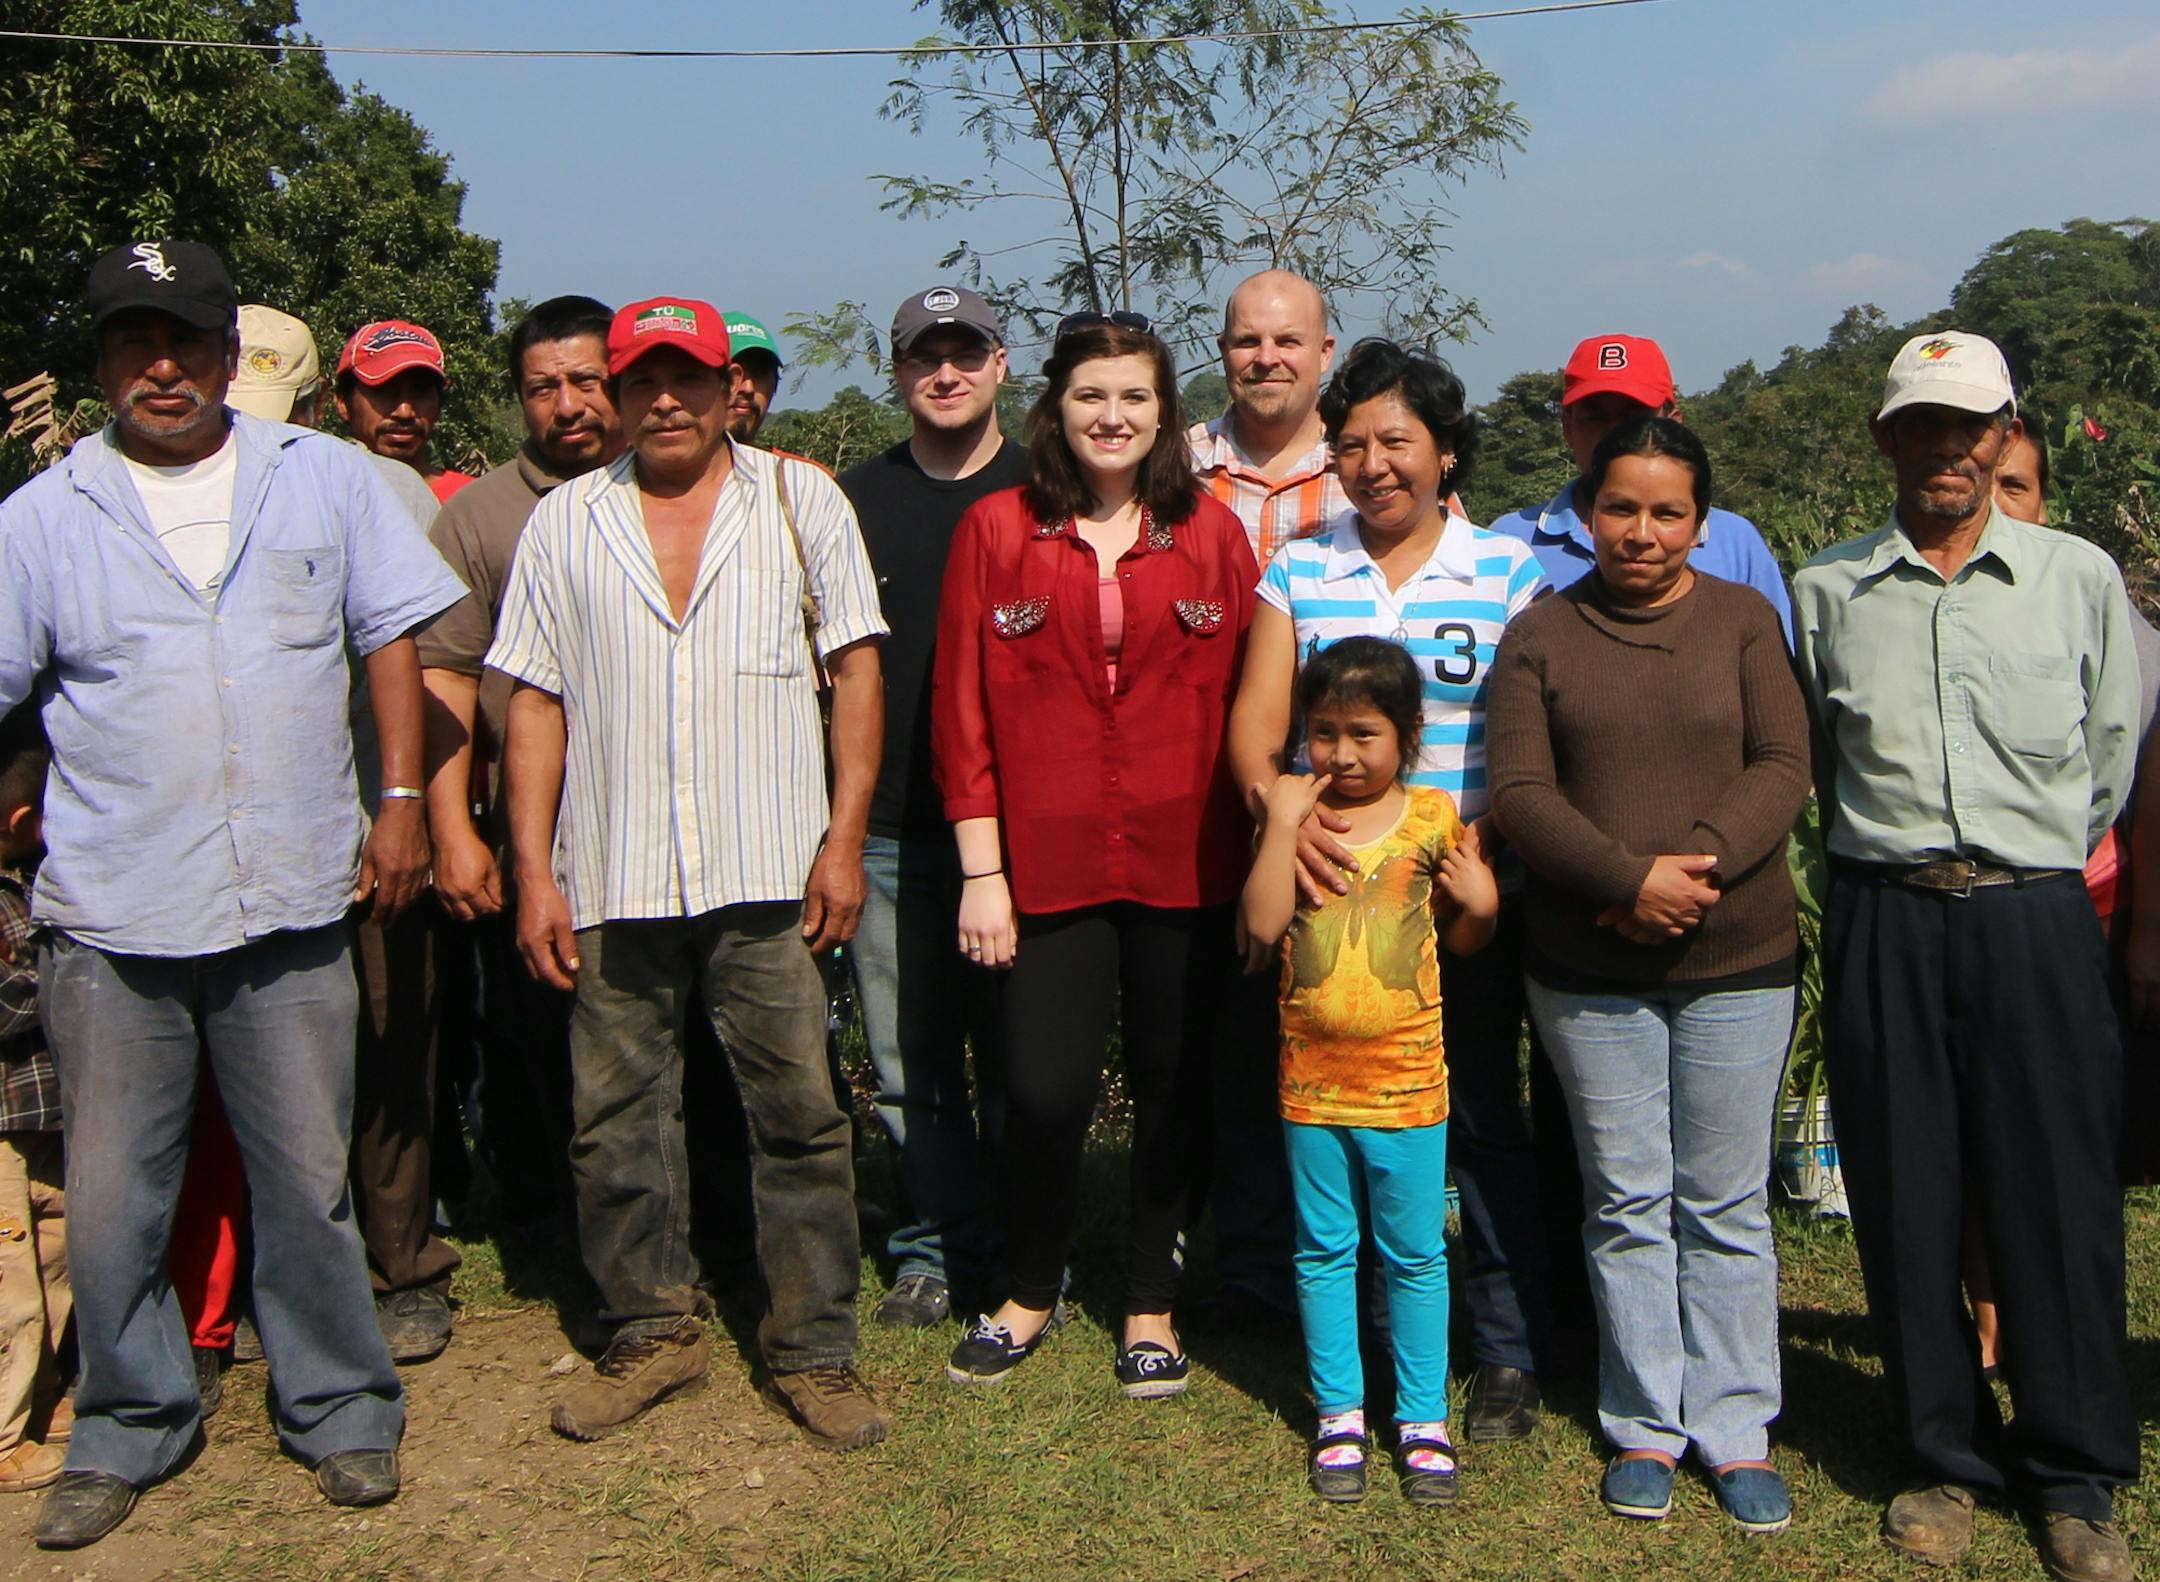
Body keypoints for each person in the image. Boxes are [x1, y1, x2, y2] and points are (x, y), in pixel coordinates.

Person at [0, 240, 468, 1547]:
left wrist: (399, 805)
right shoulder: (42, 518)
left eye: (188, 341)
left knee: (304, 1170)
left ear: (226, 355)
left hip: (290, 898)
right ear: (101, 363)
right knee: (114, 1187)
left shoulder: (321, 480)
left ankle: (341, 1400)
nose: (163, 366)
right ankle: (130, 1414)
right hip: (113, 912)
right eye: (134, 342)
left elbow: (390, 635)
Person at [487, 296, 891, 1448]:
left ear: (729, 390)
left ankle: (814, 1345)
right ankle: (649, 1331)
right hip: (611, 865)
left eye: (690, 378)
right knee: (616, 1117)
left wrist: (844, 838)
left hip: (768, 860)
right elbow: (535, 704)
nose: (667, 398)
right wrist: (534, 868)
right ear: (612, 394)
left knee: (801, 1113)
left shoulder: (801, 499)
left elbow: (855, 671)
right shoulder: (568, 523)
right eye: (643, 379)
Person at [1793, 332, 2140, 1582]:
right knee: (1907, 1190)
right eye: (1921, 425)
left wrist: (2020, 863)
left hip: (2035, 916)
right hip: (1887, 912)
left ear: (2003, 434)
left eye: (1969, 425)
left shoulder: (2080, 577)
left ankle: (2075, 1470)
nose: (1946, 447)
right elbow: (1823, 770)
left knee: (2055, 1192)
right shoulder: (1825, 589)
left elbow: (2110, 760)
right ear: (1887, 437)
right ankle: (1942, 1453)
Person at [1488, 416, 1809, 1532]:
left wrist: (1699, 866)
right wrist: (1627, 881)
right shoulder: (1541, 634)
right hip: (1589, 966)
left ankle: (1734, 1423)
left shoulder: (1744, 620)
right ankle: (1642, 1419)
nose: (1641, 532)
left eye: (1667, 511)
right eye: (1620, 508)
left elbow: (1784, 760)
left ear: (1700, 523)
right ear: (1587, 515)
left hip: (1740, 958)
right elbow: (1522, 794)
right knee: (1626, 1198)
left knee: (1724, 1202)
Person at [1224, 337, 1547, 1433]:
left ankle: (1502, 1343)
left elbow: (1527, 741)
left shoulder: (1509, 570)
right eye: (1350, 442)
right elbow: (1257, 733)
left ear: (1446, 452)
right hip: (1332, 904)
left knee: (1480, 1115)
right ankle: (1351, 1346)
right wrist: (1286, 816)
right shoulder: (1299, 566)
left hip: (1461, 893)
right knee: (1335, 1108)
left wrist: (1479, 855)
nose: (1371, 463)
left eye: (1395, 441)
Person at [934, 313, 1257, 1396]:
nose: (1111, 417)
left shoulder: (1212, 534)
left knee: (1175, 1088)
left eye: (1133, 397)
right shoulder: (994, 530)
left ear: (1165, 411)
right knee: (1043, 1090)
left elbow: (1254, 705)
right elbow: (960, 712)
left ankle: (1150, 1301)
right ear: (1054, 408)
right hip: (1045, 864)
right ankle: (1029, 1289)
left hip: (1190, 862)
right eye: (1089, 396)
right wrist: (983, 870)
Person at [1241, 637, 1497, 1506]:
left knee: (1416, 1255)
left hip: (1410, 1085)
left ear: (1409, 735)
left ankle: (1423, 1418)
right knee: (1322, 1251)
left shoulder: (1433, 818)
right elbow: (1264, 923)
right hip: (1310, 1087)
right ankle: (1340, 1413)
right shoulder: (1296, 816)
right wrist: (1278, 824)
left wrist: (1483, 908)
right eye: (1322, 733)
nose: (1342, 755)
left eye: (1364, 734)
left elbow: (1460, 944)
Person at [838, 285, 1027, 1327]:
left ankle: (1020, 1243)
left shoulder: (1048, 490)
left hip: (1018, 831)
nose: (945, 373)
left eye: (965, 353)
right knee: (910, 1058)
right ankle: (933, 1245)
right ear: (898, 370)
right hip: (890, 828)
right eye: (924, 357)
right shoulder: (852, 498)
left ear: (1002, 363)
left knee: (1017, 1058)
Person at [417, 295, 625, 1232]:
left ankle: (693, 1225)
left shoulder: (670, 489)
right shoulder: (480, 518)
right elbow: (447, 678)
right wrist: (454, 829)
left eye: (586, 380)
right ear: (519, 401)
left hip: (655, 822)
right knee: (534, 1031)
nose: (567, 403)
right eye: (544, 388)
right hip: (530, 826)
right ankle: (550, 1221)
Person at [1185, 269, 1347, 1325]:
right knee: (1233, 1029)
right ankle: (1243, 1259)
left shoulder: (1376, 461)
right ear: (1224, 349)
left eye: (1289, 341)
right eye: (1248, 341)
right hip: (1202, 786)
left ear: (1326, 352)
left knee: (1338, 1025)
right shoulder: (1177, 465)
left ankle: (1341, 1253)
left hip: (1342, 802)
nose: (1267, 358)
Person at [1486, 334, 1792, 640]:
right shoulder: (1511, 542)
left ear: (1674, 424)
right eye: (1596, 418)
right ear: (1568, 427)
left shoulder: (1735, 543)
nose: (1613, 435)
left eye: (1633, 418)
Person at [0, 709, 69, 1495]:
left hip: (38, 1118)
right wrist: (66, 974)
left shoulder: (22, 885)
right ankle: (3, 1436)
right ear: (24, 818)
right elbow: (11, 1003)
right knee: (9, 1286)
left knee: (55, 1259)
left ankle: (45, 1400)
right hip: (2, 1130)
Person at [335, 319, 474, 502]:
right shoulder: (319, 500)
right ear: (343, 403)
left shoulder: (473, 502)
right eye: (384, 390)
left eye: (420, 392)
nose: (405, 412)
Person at [723, 311, 784, 443]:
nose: (748, 388)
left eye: (760, 374)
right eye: (731, 374)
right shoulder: (669, 462)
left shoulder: (788, 464)